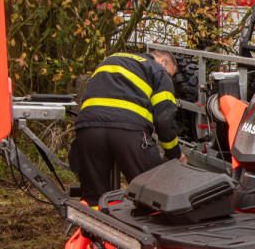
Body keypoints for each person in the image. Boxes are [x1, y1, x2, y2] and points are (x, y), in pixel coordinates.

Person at [70, 49, 182, 205]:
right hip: (129, 133)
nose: (169, 77)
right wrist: (174, 154)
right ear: (162, 61)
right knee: (152, 193)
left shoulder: (110, 60)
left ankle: (91, 227)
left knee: (94, 197)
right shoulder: (157, 70)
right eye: (170, 74)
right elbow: (164, 119)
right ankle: (146, 226)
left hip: (88, 131)